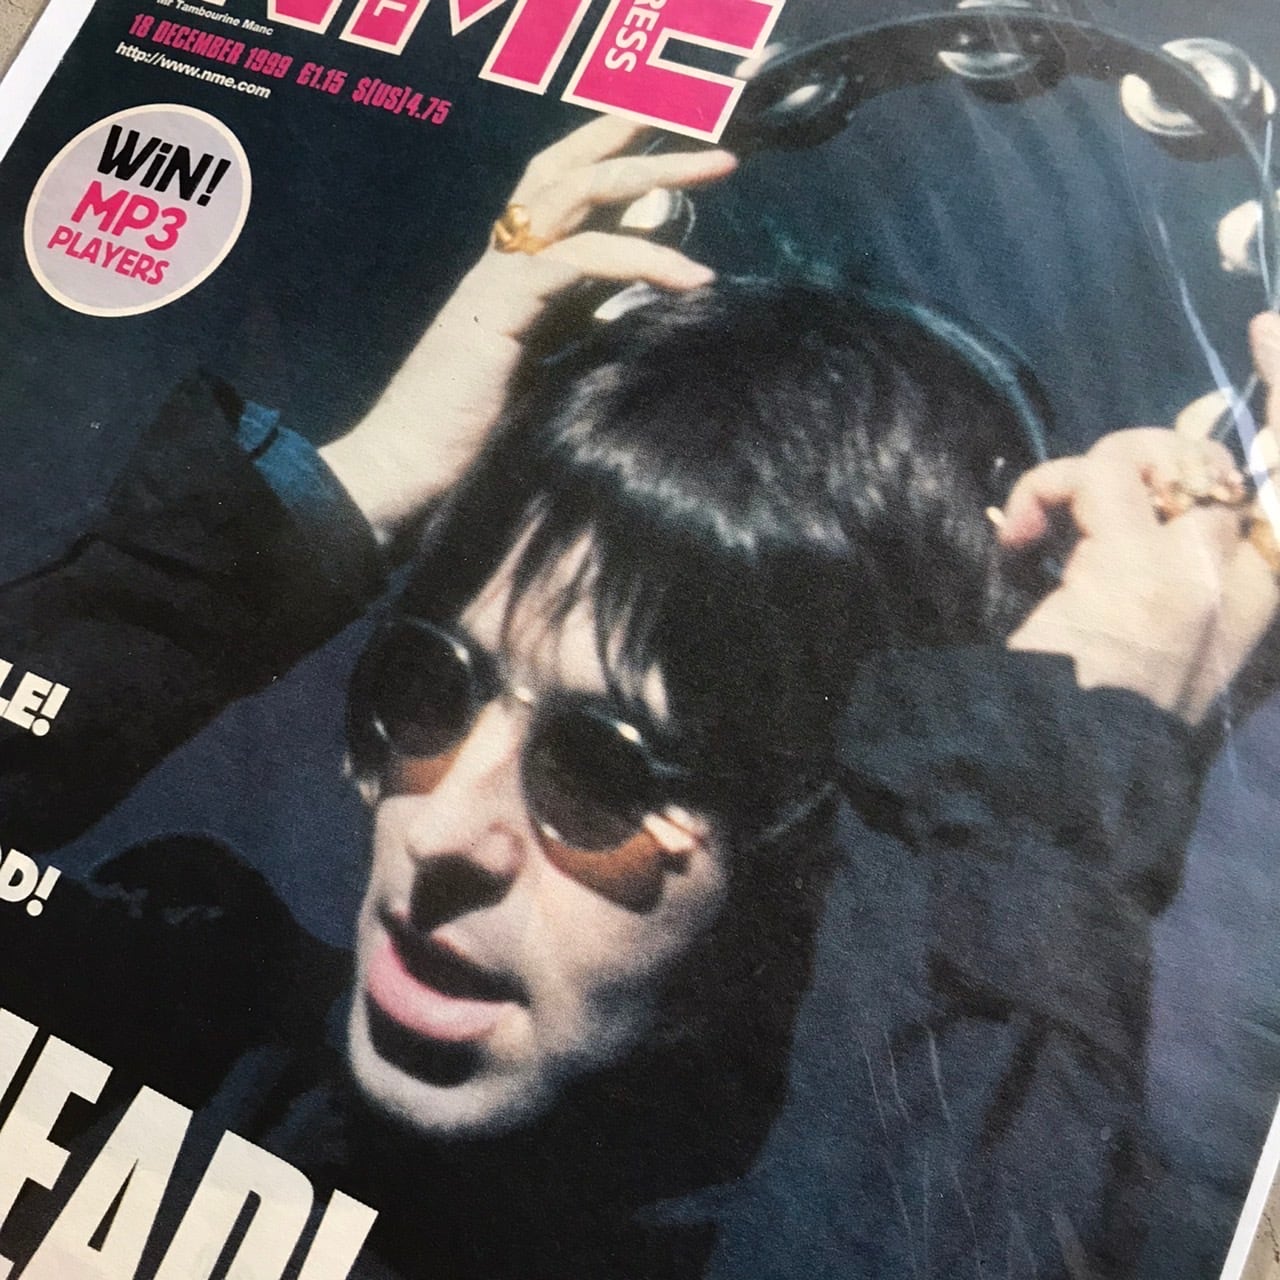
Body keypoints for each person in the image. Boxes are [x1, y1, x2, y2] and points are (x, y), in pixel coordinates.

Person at [0, 116, 1276, 1280]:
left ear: (812, 867)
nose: (441, 833)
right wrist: (364, 481)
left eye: (603, 770)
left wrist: (1033, 813)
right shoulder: (190, 1026)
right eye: (426, 692)